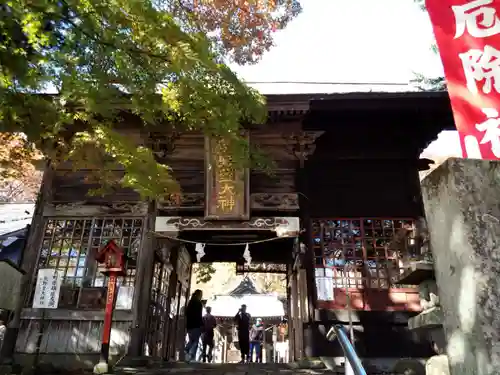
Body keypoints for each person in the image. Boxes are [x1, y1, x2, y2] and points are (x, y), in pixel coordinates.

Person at [184, 289, 203, 362]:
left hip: (189, 325)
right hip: (196, 325)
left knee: (191, 340)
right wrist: (201, 325)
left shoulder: (190, 302)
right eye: (201, 295)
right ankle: (191, 355)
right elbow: (199, 316)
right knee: (195, 341)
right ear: (199, 295)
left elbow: (187, 313)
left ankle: (187, 352)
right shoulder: (198, 303)